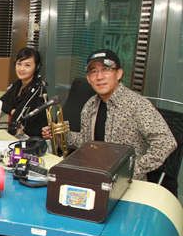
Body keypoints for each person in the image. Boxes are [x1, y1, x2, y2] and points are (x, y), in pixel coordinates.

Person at [42, 48, 177, 180]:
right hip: (96, 175)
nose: (99, 77)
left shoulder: (137, 104)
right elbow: (86, 141)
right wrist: (59, 135)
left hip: (128, 183)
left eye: (106, 69)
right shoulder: (90, 105)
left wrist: (132, 172)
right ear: (89, 78)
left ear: (119, 73)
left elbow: (166, 142)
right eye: (94, 71)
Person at [0, 47, 47, 138]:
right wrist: (13, 111)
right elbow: (0, 102)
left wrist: (9, 138)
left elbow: (19, 117)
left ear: (36, 67)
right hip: (22, 134)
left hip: (35, 139)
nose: (21, 69)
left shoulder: (37, 88)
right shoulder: (18, 84)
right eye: (19, 64)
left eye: (27, 65)